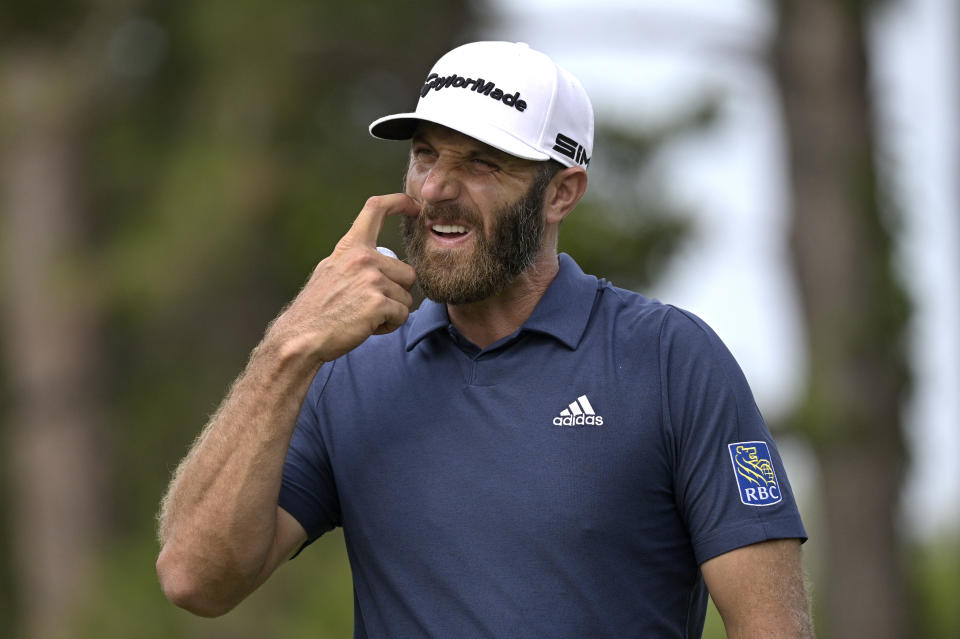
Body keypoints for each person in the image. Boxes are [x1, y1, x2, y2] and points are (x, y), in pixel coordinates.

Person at [156, 41, 812, 638]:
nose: (438, 188)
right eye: (425, 155)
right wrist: (287, 348)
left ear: (561, 192)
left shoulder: (670, 359)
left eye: (481, 162)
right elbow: (195, 578)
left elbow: (771, 625)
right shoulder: (348, 374)